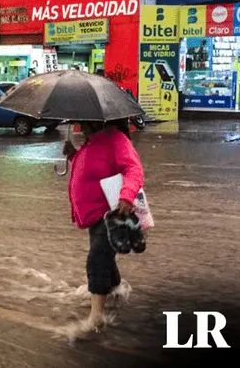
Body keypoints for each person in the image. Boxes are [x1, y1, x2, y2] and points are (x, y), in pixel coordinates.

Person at [62, 120, 144, 330]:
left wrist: (127, 196)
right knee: (103, 256)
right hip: (94, 214)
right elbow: (92, 169)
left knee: (97, 259)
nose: (79, 124)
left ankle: (96, 318)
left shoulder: (115, 138)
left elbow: (134, 169)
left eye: (82, 121)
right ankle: (116, 289)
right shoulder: (93, 141)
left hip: (111, 212)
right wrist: (73, 155)